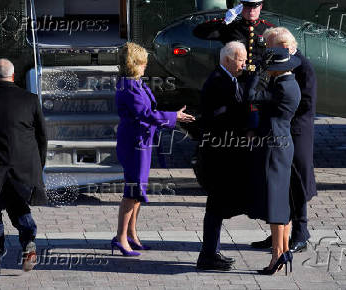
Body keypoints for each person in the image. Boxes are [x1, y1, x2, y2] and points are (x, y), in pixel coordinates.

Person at [112, 42, 195, 256]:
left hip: (141, 141)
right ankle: (121, 237)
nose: (145, 67)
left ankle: (131, 234)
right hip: (134, 143)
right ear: (133, 65)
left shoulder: (135, 83)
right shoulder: (129, 87)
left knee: (137, 191)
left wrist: (171, 115)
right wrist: (173, 116)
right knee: (132, 192)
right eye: (142, 63)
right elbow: (146, 114)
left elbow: (150, 110)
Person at [0, 59, 47, 275]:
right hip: (23, 168)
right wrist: (37, 165)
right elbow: (42, 137)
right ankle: (28, 243)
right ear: (13, 76)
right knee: (19, 208)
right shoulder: (30, 100)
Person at [250, 27, 318, 253]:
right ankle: (279, 235)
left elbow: (306, 102)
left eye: (271, 48)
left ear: (285, 47)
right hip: (281, 129)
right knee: (281, 186)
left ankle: (300, 232)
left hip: (295, 131)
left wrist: (281, 115)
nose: (268, 53)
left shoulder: (302, 66)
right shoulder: (279, 63)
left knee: (297, 183)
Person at [242, 47, 301, 275]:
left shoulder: (283, 88)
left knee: (276, 203)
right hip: (282, 144)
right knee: (281, 201)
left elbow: (251, 96)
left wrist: (257, 71)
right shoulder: (288, 83)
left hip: (274, 147)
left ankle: (277, 256)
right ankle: (283, 250)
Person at [196, 41, 248, 271]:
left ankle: (211, 252)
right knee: (215, 207)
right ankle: (208, 255)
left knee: (216, 208)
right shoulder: (219, 82)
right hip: (217, 156)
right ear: (227, 60)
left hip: (222, 153)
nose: (245, 63)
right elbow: (217, 117)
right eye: (241, 59)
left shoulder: (229, 78)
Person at [193, 0, 274, 130]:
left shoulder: (269, 29)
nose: (251, 11)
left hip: (259, 85)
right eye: (247, 7)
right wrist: (224, 21)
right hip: (236, 84)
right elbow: (199, 32)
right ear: (241, 7)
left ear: (261, 6)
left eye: (255, 7)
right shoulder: (231, 27)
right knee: (235, 125)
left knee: (260, 128)